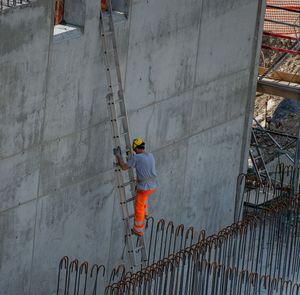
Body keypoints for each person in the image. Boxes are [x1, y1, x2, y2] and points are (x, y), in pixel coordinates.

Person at [115, 138, 157, 236]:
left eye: (134, 150)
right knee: (144, 200)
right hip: (152, 186)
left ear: (136, 149)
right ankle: (145, 214)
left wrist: (118, 156)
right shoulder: (150, 155)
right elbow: (144, 168)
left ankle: (138, 229)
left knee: (138, 208)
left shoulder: (136, 158)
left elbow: (124, 167)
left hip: (144, 188)